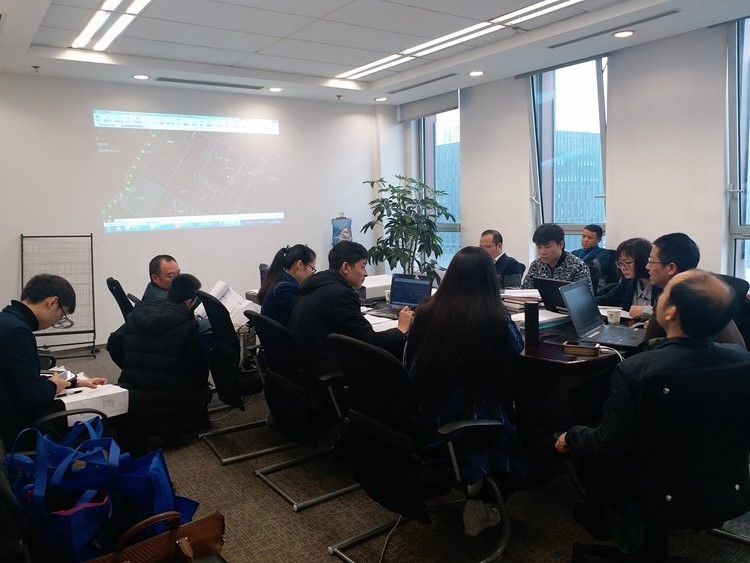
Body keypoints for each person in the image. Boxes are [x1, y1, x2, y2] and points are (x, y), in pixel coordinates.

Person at [554, 270, 750, 535]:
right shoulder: (742, 359)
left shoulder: (637, 370)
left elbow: (607, 443)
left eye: (665, 293)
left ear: (671, 313)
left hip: (649, 487)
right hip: (725, 481)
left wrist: (571, 435)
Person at [405, 246, 527, 537]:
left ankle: (476, 485)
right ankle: (480, 493)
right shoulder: (494, 319)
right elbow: (516, 348)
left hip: (424, 418)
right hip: (468, 424)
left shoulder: (426, 311)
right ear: (489, 281)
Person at [108, 273, 211, 455]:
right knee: (202, 389)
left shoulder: (137, 314)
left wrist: (133, 366)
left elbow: (113, 343)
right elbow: (198, 372)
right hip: (170, 411)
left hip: (133, 398)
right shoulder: (188, 326)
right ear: (189, 302)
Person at [0, 274, 106, 447]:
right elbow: (33, 399)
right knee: (104, 417)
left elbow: (19, 379)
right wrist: (53, 385)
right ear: (52, 302)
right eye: (62, 315)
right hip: (20, 430)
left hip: (10, 415)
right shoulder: (18, 333)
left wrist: (74, 383)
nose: (56, 322)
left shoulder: (6, 321)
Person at [288, 241, 412, 375]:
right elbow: (370, 342)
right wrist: (401, 329)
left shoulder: (317, 286)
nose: (366, 273)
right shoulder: (340, 295)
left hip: (306, 367)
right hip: (327, 370)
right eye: (363, 266)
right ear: (346, 267)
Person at [644, 232, 745, 345]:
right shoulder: (701, 294)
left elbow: (650, 343)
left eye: (651, 261)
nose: (647, 267)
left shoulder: (678, 300)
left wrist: (655, 325)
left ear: (671, 268)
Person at [595, 238, 660, 321]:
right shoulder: (628, 281)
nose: (623, 268)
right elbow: (606, 299)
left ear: (642, 261)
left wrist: (645, 311)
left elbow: (667, 312)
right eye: (620, 263)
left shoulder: (660, 283)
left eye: (627, 262)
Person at [521, 223, 592, 292]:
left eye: (547, 247)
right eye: (539, 247)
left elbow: (585, 297)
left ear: (561, 244)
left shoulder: (577, 266)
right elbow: (525, 291)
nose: (542, 252)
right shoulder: (536, 265)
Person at [257, 244, 317, 327]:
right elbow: (307, 314)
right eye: (312, 269)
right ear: (300, 264)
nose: (312, 274)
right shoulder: (284, 289)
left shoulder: (279, 280)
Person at [571, 224, 611, 289]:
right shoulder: (575, 252)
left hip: (595, 285)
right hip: (576, 284)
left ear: (599, 240)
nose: (585, 240)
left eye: (589, 238)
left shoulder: (602, 253)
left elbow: (593, 267)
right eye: (583, 236)